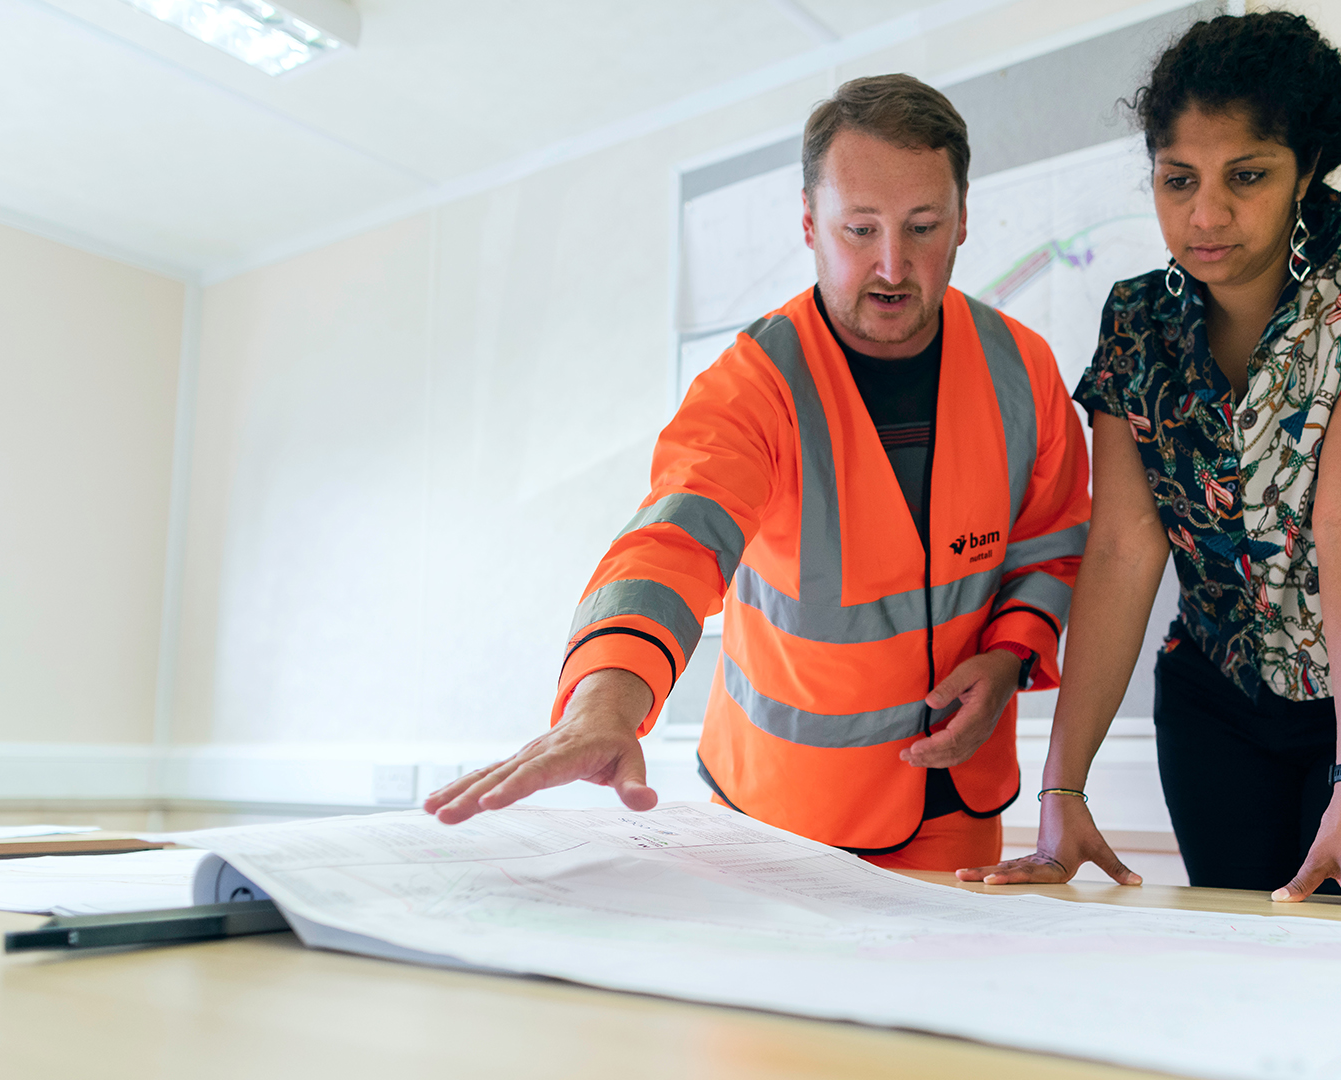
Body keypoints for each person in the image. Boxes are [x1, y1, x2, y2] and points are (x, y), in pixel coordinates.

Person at [424, 75, 1091, 872]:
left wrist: (1010, 656)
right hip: (782, 818)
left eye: (923, 227)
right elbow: (674, 542)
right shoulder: (752, 385)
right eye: (859, 229)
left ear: (963, 220)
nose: (892, 265)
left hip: (959, 802)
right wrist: (604, 702)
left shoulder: (1023, 369)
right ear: (809, 223)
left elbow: (1050, 545)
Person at [959, 12, 1341, 916]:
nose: (1206, 215)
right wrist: (1062, 790)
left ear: (1307, 168)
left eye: (1246, 176)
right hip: (1219, 710)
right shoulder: (1138, 320)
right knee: (1249, 981)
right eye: (1178, 179)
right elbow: (1123, 548)